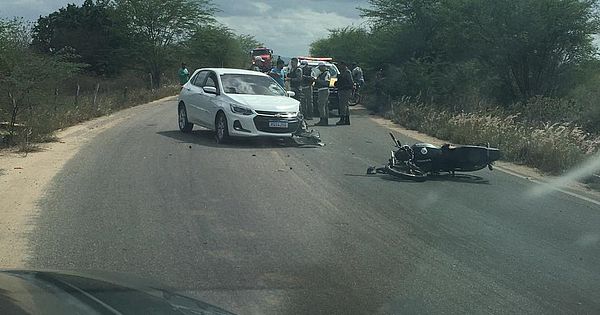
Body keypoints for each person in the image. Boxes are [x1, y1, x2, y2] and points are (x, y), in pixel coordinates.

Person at [335, 61, 354, 125]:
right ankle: (346, 120)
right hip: (342, 90)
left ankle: (343, 120)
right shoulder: (343, 72)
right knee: (344, 106)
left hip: (345, 91)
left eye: (340, 65)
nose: (339, 67)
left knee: (343, 106)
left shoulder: (347, 72)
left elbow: (350, 83)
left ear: (344, 65)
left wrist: (343, 86)